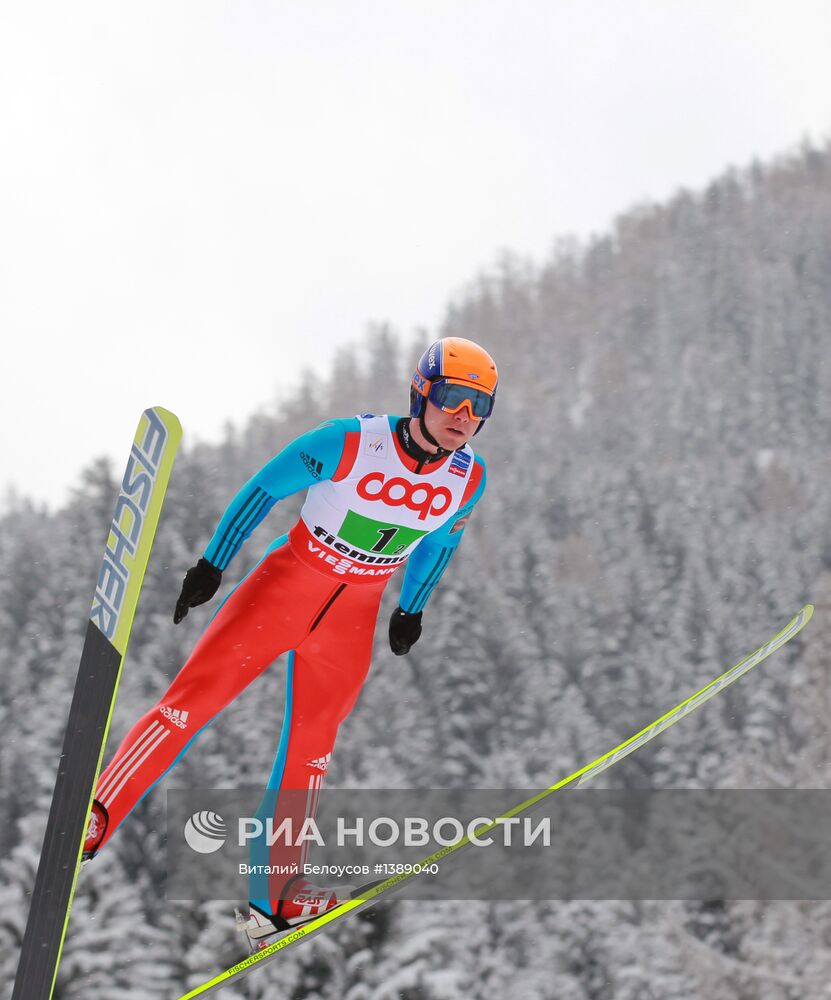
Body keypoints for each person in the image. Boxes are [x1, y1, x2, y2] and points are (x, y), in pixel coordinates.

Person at [83, 336, 497, 946]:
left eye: (478, 406)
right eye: (453, 397)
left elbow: (439, 544)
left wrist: (411, 609)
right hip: (282, 592)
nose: (463, 416)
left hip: (352, 620)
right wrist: (213, 563)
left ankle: (273, 899)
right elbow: (264, 489)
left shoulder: (469, 477)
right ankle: (94, 814)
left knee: (310, 754)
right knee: (188, 704)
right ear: (422, 392)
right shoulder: (351, 441)